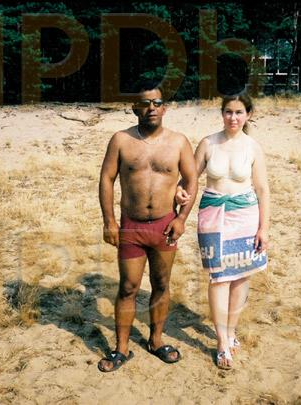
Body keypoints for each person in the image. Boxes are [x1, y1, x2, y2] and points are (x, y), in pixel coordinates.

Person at [97, 83, 198, 372]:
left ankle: (156, 341)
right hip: (131, 226)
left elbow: (192, 180)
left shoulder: (179, 142)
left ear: (164, 108)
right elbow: (106, 179)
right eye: (144, 103)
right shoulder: (121, 140)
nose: (151, 108)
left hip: (165, 226)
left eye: (156, 103)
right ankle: (121, 349)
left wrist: (181, 218)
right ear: (134, 108)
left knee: (161, 284)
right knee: (128, 287)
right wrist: (109, 221)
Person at [176, 93, 270, 369]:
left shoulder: (253, 147)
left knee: (240, 276)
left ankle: (230, 331)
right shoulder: (208, 143)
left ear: (248, 114)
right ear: (222, 113)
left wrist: (264, 228)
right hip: (213, 216)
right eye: (228, 111)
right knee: (219, 278)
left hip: (246, 216)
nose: (233, 117)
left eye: (239, 112)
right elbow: (190, 179)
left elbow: (263, 190)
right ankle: (221, 342)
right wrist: (179, 191)